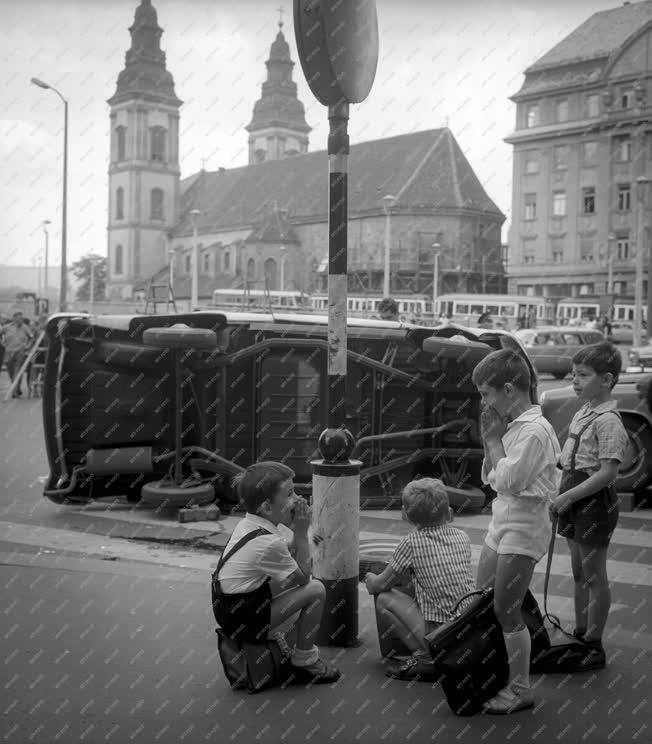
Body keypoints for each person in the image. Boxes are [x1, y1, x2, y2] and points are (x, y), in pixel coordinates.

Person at [472, 349, 561, 714]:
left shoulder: (535, 431)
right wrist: (494, 451)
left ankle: (520, 688)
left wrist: (493, 445)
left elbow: (506, 478)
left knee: (506, 609)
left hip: (524, 527)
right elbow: (489, 477)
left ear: (508, 389)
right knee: (482, 598)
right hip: (503, 519)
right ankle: (494, 673)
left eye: (486, 394)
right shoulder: (512, 426)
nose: (484, 403)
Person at [211, 461, 340, 684]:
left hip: (231, 608)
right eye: (290, 494)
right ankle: (305, 660)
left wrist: (299, 536)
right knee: (316, 590)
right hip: (243, 616)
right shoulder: (269, 543)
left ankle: (281, 639)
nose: (298, 499)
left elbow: (287, 562)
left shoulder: (250, 524)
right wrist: (300, 532)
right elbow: (304, 579)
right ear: (267, 508)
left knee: (290, 577)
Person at [552, 343, 629, 668]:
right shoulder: (585, 412)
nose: (575, 381)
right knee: (579, 571)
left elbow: (608, 472)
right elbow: (570, 459)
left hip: (592, 502)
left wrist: (569, 496)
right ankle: (580, 631)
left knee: (595, 575)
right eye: (574, 374)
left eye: (583, 375)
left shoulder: (609, 420)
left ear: (607, 379)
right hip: (573, 494)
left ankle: (594, 644)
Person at [363, 478, 475, 681]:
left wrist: (369, 579)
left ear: (405, 515)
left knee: (384, 600)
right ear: (449, 512)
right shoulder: (462, 537)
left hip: (440, 638)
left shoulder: (412, 543)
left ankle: (425, 658)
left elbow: (380, 585)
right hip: (467, 632)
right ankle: (433, 654)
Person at [0, 311, 34, 398]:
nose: (21, 320)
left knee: (17, 371)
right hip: (8, 352)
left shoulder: (25, 328)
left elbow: (31, 337)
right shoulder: (6, 327)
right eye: (19, 318)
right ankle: (16, 388)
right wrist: (2, 344)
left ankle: (15, 391)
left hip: (20, 352)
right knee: (11, 371)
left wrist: (28, 345)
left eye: (21, 318)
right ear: (14, 318)